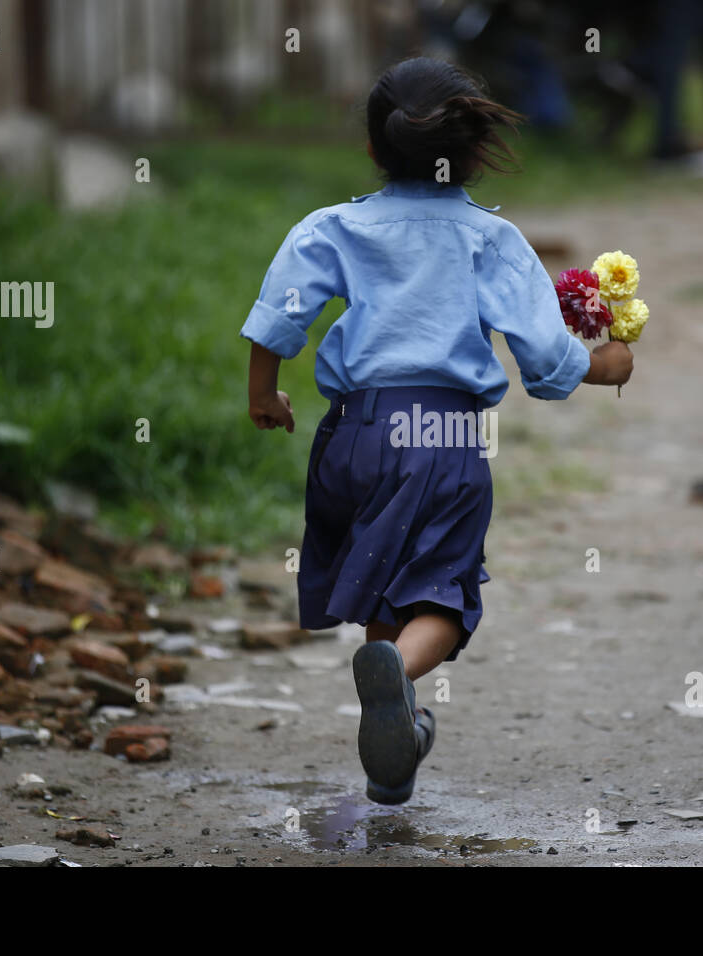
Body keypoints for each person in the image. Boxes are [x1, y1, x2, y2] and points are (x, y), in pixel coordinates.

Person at [240, 57, 634, 805]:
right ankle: (402, 675)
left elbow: (278, 316)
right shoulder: (492, 239)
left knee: (385, 585)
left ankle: (393, 756)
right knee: (443, 597)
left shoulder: (332, 226)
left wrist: (265, 397)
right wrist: (605, 364)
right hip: (443, 439)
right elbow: (548, 361)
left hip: (351, 437)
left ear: (371, 148)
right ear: (477, 151)